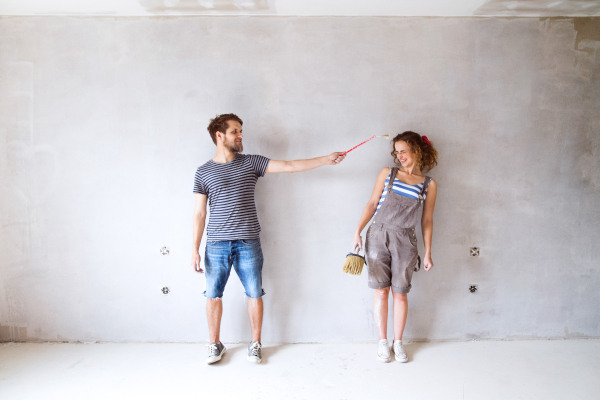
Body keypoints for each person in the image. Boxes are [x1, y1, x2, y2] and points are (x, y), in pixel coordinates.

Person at [192, 113, 345, 365]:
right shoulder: (202, 172)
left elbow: (289, 165)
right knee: (213, 295)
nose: (240, 135)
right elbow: (199, 213)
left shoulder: (251, 162)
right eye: (235, 131)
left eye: (241, 131)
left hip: (248, 241)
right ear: (219, 135)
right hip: (216, 244)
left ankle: (255, 343)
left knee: (254, 292)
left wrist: (326, 159)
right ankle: (214, 344)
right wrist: (195, 249)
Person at [352, 131, 438, 363]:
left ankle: (397, 343)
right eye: (397, 151)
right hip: (378, 236)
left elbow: (427, 220)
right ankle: (382, 342)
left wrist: (428, 252)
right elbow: (372, 204)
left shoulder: (429, 185)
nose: (399, 156)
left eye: (404, 151)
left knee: (400, 294)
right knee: (381, 290)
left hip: (406, 241)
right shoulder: (387, 174)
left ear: (417, 151)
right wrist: (357, 231)